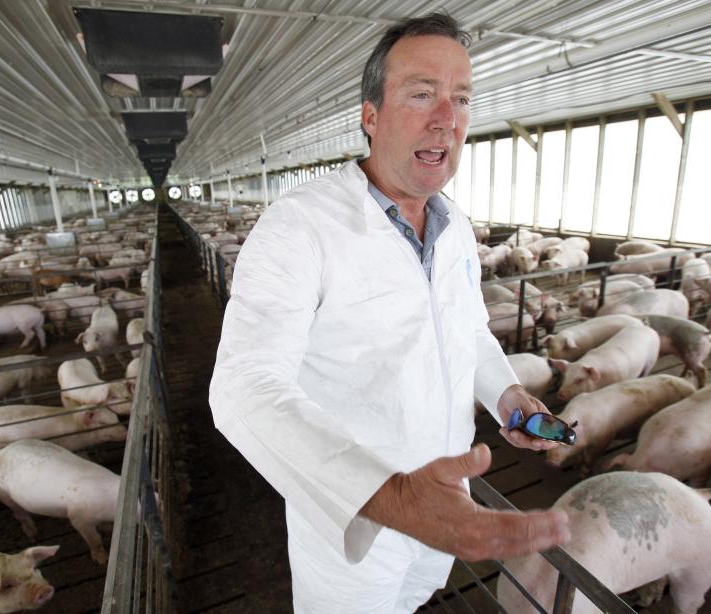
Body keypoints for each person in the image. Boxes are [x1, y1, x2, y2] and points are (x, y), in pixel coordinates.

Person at [209, 12, 570, 613]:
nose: (445, 119)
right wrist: (395, 497)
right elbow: (242, 387)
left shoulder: (455, 226)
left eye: (460, 99)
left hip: (446, 502)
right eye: (421, 94)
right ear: (370, 116)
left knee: (417, 600)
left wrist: (506, 396)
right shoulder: (300, 226)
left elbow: (469, 332)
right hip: (355, 526)